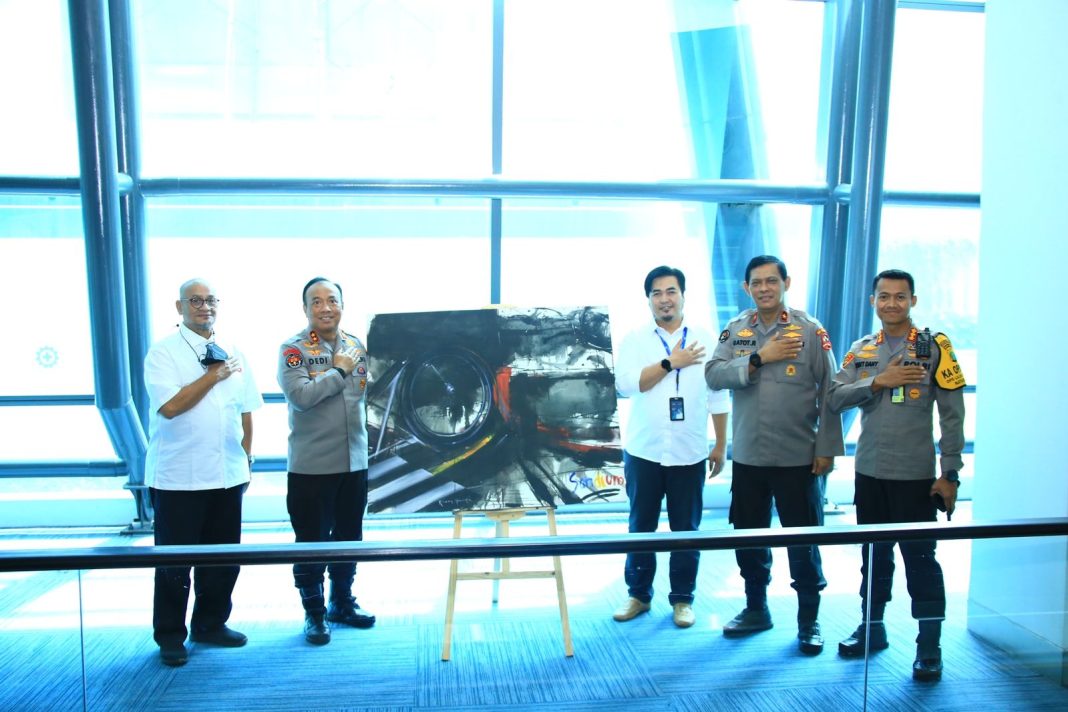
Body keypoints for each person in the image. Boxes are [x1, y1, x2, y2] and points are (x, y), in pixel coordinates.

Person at [828, 269, 965, 682]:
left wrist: (951, 474)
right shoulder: (861, 350)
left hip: (916, 478)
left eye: (900, 297)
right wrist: (878, 380)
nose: (891, 304)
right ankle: (872, 630)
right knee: (874, 559)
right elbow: (835, 397)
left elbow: (953, 416)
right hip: (870, 474)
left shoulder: (935, 347)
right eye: (883, 297)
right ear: (873, 301)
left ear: (913, 301)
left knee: (921, 563)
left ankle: (929, 647)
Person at [705, 255, 843, 655]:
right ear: (746, 288)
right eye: (756, 283)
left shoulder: (810, 331)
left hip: (798, 458)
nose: (764, 288)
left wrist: (827, 449)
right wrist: (761, 357)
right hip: (749, 457)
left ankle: (808, 620)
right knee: (748, 537)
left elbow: (829, 392)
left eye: (771, 281)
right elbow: (713, 374)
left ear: (786, 282)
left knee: (803, 542)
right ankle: (755, 609)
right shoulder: (737, 330)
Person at [144, 278, 263, 667]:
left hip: (227, 474)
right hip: (179, 478)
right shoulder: (163, 354)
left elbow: (246, 409)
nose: (204, 306)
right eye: (194, 300)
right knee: (175, 563)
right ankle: (170, 635)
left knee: (223, 559)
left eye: (210, 300)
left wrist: (246, 457)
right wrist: (212, 376)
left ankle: (210, 624)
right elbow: (172, 407)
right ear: (179, 307)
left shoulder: (235, 350)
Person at [611, 266, 730, 628]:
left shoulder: (708, 338)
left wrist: (720, 444)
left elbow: (719, 395)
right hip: (644, 450)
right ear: (648, 299)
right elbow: (627, 385)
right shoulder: (635, 339)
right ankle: (638, 595)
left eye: (671, 291)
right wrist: (669, 363)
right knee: (640, 526)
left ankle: (682, 599)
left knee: (686, 528)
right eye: (657, 293)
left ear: (683, 295)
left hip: (689, 450)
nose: (664, 299)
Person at [278, 277, 375, 646]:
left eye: (331, 300)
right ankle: (314, 614)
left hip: (354, 463)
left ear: (341, 305)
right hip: (312, 467)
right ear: (305, 309)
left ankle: (341, 603)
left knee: (350, 538)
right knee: (311, 542)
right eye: (315, 301)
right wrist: (337, 371)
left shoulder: (357, 346)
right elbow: (301, 396)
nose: (325, 307)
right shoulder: (294, 349)